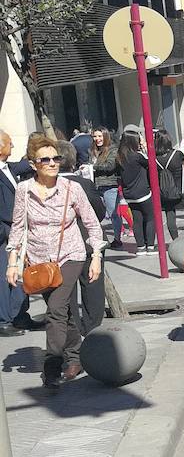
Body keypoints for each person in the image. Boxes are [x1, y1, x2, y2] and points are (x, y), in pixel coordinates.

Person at [5, 135, 103, 390]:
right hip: (39, 262)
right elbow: (18, 228)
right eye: (45, 159)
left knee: (56, 309)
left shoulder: (72, 189)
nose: (52, 163)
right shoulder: (24, 191)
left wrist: (96, 258)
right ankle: (75, 357)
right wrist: (12, 263)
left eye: (56, 158)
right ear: (33, 164)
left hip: (71, 255)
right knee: (64, 312)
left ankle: (51, 366)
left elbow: (92, 224)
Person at [56, 141, 107, 338]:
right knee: (93, 287)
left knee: (66, 292)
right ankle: (92, 329)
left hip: (61, 249)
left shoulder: (43, 186)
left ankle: (74, 329)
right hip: (87, 242)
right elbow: (100, 212)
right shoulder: (84, 184)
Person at [0, 130, 33, 337]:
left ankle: (20, 315)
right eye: (9, 143)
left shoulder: (8, 168)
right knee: (5, 276)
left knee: (20, 272)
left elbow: (25, 164)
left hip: (16, 230)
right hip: (4, 232)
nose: (12, 147)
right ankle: (4, 320)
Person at [115, 131, 155, 256]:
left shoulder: (119, 157)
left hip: (129, 194)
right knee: (149, 218)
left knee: (137, 220)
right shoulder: (137, 156)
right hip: (143, 192)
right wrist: (144, 148)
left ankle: (141, 247)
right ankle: (150, 247)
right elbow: (151, 163)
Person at [90, 128, 123, 249]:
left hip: (110, 185)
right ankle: (97, 239)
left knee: (113, 213)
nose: (97, 139)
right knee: (94, 214)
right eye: (95, 136)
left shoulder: (113, 149)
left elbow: (110, 166)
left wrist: (94, 166)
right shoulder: (92, 151)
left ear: (105, 136)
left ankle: (117, 239)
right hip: (95, 185)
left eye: (99, 136)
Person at [153, 130, 184, 241]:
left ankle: (175, 240)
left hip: (165, 190)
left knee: (170, 215)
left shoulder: (154, 158)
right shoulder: (177, 154)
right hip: (181, 188)